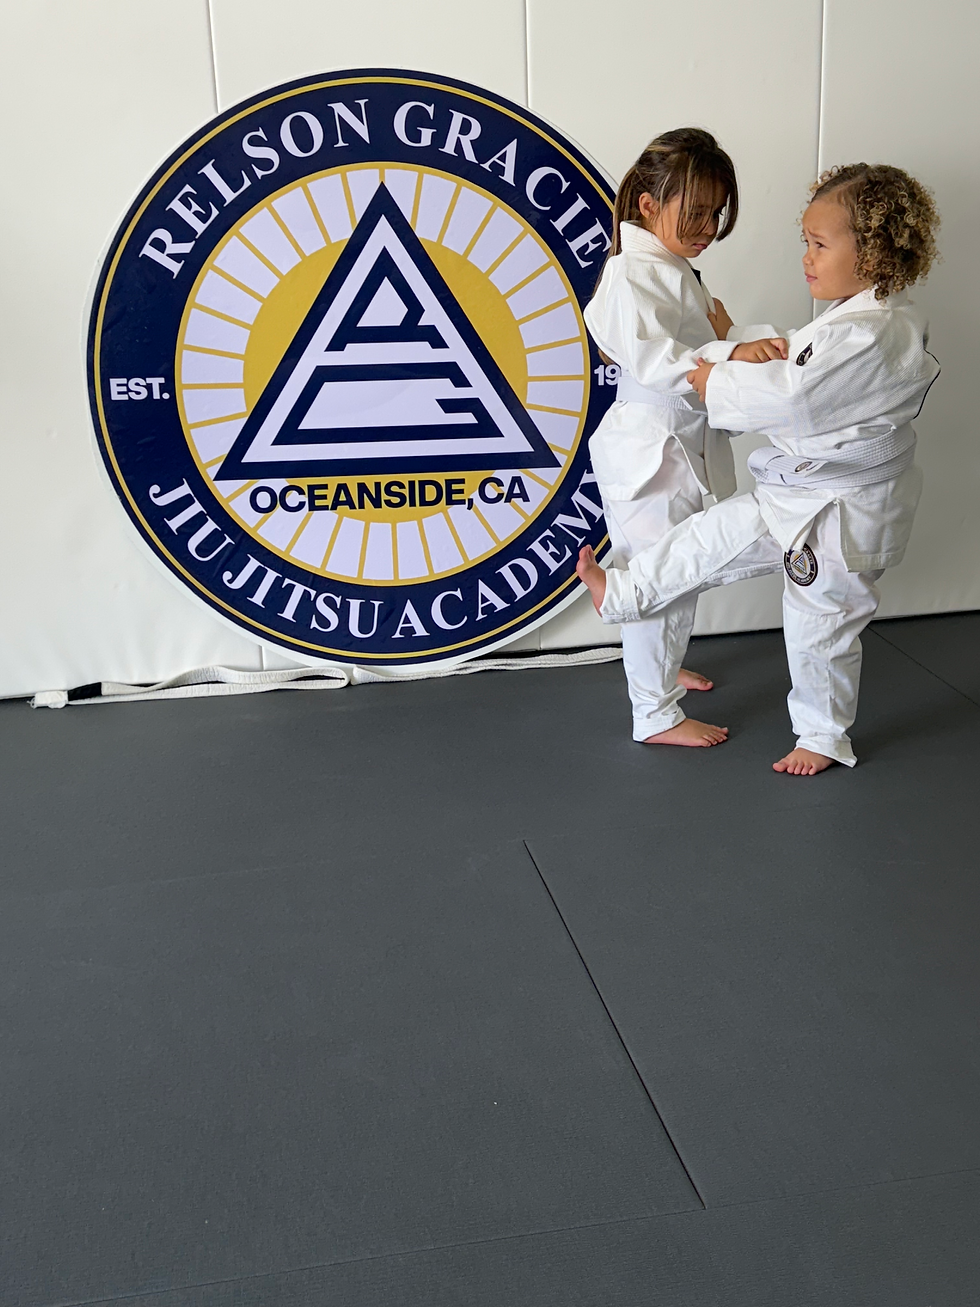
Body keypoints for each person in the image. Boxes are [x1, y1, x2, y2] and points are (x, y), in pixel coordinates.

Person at [577, 163, 941, 775]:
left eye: (819, 244)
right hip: (794, 493)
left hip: (838, 518)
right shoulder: (855, 319)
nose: (806, 256)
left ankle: (823, 736)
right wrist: (734, 340)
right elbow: (796, 356)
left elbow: (795, 394)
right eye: (807, 241)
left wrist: (712, 373)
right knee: (701, 541)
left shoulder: (878, 332)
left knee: (819, 629)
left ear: (873, 253)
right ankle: (625, 591)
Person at [585, 128, 786, 749]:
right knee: (657, 580)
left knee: (678, 571)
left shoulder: (671, 269)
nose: (707, 225)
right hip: (652, 446)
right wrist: (730, 350)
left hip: (680, 441)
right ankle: (654, 713)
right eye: (694, 212)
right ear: (649, 204)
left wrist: (731, 340)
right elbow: (654, 358)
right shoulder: (630, 272)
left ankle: (664, 672)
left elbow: (692, 348)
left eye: (716, 212)